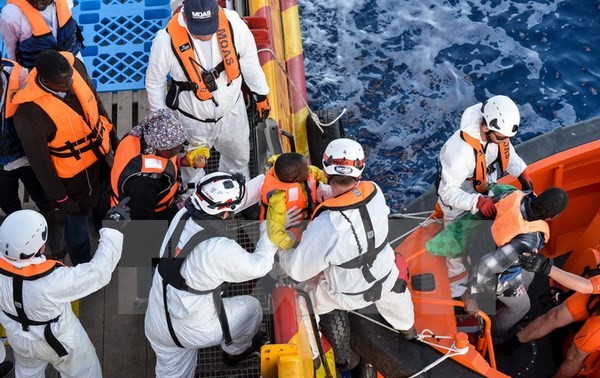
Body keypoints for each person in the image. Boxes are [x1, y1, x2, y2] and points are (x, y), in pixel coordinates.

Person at [277, 138, 415, 365]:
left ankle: (313, 356)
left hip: (348, 294)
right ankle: (408, 329)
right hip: (386, 277)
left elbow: (297, 270)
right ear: (360, 170)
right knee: (395, 294)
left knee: (300, 300)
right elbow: (352, 202)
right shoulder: (376, 193)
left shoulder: (326, 225)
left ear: (325, 169)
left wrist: (284, 238)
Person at [145, 172, 280, 378]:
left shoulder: (182, 215)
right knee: (252, 308)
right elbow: (260, 265)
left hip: (157, 321)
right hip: (195, 329)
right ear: (225, 214)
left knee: (173, 373)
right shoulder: (218, 248)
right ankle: (234, 353)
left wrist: (269, 177)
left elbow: (236, 201)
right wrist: (272, 227)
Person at [12, 49, 117, 266]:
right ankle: (82, 265)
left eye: (70, 78)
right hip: (74, 183)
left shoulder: (75, 67)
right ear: (45, 80)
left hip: (102, 162)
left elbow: (95, 104)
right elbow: (40, 163)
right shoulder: (29, 113)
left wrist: (114, 142)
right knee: (77, 229)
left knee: (103, 207)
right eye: (63, 83)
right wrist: (61, 198)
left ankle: (105, 235)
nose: (70, 83)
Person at [145, 0, 270, 181]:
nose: (205, 36)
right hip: (191, 121)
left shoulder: (234, 24)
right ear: (185, 17)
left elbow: (249, 61)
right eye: (199, 30)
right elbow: (154, 83)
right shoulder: (164, 42)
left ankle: (235, 192)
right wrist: (161, 120)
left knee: (238, 159)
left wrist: (261, 94)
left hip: (232, 114)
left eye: (210, 28)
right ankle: (193, 199)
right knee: (191, 169)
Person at [0, 204, 126, 377]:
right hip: (58, 340)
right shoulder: (53, 281)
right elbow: (99, 272)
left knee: (28, 372)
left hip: (18, 337)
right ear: (40, 245)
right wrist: (113, 229)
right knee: (84, 371)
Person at [461, 187, 568, 335]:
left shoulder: (515, 195)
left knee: (529, 275)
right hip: (486, 270)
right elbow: (487, 265)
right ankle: (491, 334)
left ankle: (501, 303)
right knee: (522, 307)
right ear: (552, 217)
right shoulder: (529, 238)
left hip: (479, 244)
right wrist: (471, 296)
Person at [110, 108, 186, 308]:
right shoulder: (143, 181)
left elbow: (163, 162)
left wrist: (183, 162)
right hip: (140, 222)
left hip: (141, 205)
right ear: (160, 146)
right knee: (149, 258)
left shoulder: (139, 138)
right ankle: (146, 297)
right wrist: (178, 209)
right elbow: (143, 222)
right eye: (176, 147)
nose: (181, 148)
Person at [0, 56, 66, 258]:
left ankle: (53, 240)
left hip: (28, 157)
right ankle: (23, 246)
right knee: (9, 206)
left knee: (46, 201)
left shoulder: (21, 78)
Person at [437, 95, 533, 224]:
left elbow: (508, 154)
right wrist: (477, 202)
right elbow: (447, 192)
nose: (505, 141)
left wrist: (521, 173)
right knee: (458, 235)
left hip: (485, 185)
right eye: (501, 138)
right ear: (485, 128)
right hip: (458, 198)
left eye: (507, 138)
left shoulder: (496, 134)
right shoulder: (460, 152)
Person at [510, 251, 600, 377]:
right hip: (595, 296)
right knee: (555, 316)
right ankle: (512, 343)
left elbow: (586, 286)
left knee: (574, 354)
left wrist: (546, 267)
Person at [260, 152, 329, 249]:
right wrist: (294, 245)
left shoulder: (299, 169)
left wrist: (330, 180)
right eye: (306, 169)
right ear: (295, 180)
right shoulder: (278, 199)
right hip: (292, 227)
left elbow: (318, 173)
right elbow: (274, 233)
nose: (309, 170)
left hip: (308, 214)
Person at [0, 0, 83, 69]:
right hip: (37, 72)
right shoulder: (10, 15)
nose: (38, 4)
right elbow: (12, 51)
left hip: (72, 58)